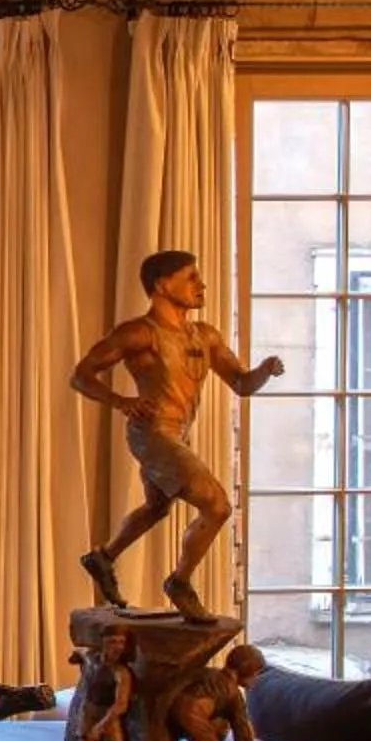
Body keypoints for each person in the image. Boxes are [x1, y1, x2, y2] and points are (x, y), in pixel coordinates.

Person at [70, 249, 283, 624]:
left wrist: (264, 370)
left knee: (157, 507)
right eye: (191, 277)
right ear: (162, 285)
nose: (201, 285)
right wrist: (121, 401)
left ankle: (103, 556)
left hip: (177, 434)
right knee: (216, 505)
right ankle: (179, 582)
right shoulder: (139, 333)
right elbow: (82, 374)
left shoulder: (205, 336)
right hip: (151, 433)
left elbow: (241, 383)